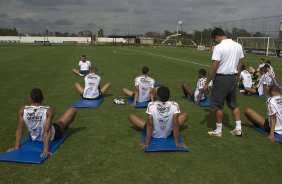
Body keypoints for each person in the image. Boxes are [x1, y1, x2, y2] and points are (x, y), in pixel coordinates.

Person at [7, 88, 77, 157]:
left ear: (30, 99)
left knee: (50, 124)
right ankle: (64, 128)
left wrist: (16, 147)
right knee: (72, 110)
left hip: (34, 137)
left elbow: (20, 129)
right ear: (42, 98)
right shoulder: (49, 110)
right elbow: (47, 130)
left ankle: (63, 127)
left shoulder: (22, 110)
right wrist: (46, 150)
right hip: (53, 135)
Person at [204, 27, 244, 137]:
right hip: (233, 78)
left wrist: (207, 83)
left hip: (222, 79)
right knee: (233, 104)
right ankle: (238, 128)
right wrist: (237, 79)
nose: (214, 42)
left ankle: (218, 131)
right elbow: (240, 65)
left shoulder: (218, 47)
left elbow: (214, 67)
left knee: (218, 105)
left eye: (214, 40)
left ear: (216, 37)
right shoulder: (238, 45)